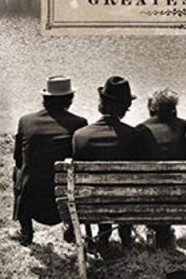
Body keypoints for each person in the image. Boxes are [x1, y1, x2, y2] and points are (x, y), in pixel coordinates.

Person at [12, 76, 87, 246]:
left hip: (32, 199)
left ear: (45, 99)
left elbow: (18, 158)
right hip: (63, 200)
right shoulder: (79, 123)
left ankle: (26, 232)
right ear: (70, 99)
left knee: (18, 171)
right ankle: (70, 229)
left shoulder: (26, 121)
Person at [73, 75, 141, 248]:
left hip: (91, 203)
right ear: (126, 107)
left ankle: (103, 234)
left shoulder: (81, 136)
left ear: (101, 103)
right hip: (126, 201)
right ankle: (125, 234)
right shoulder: (135, 136)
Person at [137, 88, 186, 247]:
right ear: (174, 109)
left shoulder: (140, 130)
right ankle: (164, 232)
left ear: (151, 108)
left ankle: (156, 230)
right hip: (181, 195)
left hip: (148, 196)